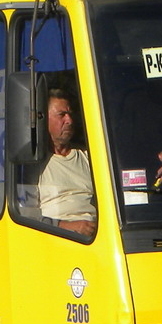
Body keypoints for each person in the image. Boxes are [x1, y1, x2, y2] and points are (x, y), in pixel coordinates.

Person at [37, 89, 97, 237]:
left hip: (96, 236)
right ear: (45, 119)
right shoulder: (34, 164)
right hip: (54, 238)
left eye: (70, 114)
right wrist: (63, 226)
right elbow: (24, 214)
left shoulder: (88, 158)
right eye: (62, 115)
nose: (69, 120)